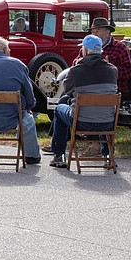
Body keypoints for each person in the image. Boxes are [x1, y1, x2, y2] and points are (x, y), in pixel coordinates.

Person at [47, 34, 119, 168]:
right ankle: (108, 155)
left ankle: (59, 155)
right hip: (107, 122)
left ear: (85, 50)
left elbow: (68, 92)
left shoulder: (76, 71)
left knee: (58, 109)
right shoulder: (112, 70)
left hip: (81, 122)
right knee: (102, 112)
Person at [84, 17, 131, 96]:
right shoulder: (87, 47)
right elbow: (75, 63)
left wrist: (109, 68)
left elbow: (128, 72)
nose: (94, 35)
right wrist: (81, 62)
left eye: (97, 31)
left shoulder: (120, 48)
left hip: (114, 92)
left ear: (107, 33)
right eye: (93, 32)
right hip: (90, 90)